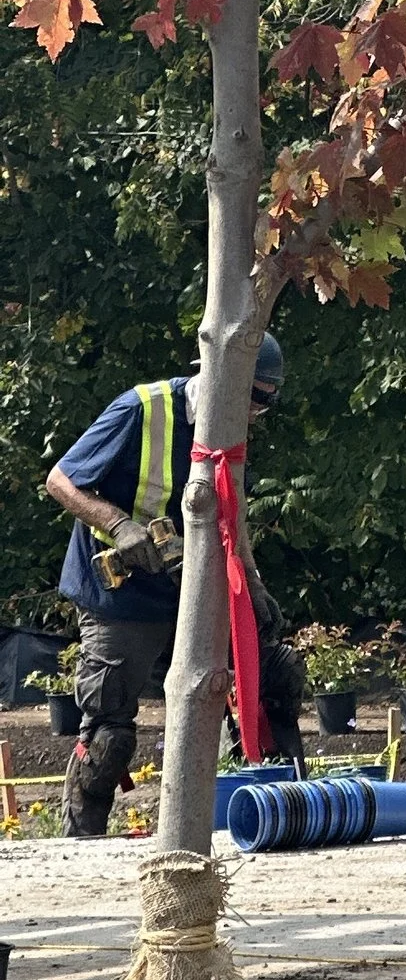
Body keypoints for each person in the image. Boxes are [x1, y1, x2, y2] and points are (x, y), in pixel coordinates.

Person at [44, 334, 301, 836]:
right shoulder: (139, 410)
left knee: (273, 675)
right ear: (223, 381)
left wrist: (251, 583)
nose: (256, 414)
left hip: (195, 586)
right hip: (121, 596)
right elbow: (60, 480)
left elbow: (232, 513)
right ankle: (81, 839)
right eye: (255, 399)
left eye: (267, 403)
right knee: (109, 737)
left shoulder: (229, 432)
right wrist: (119, 526)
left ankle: (273, 814)